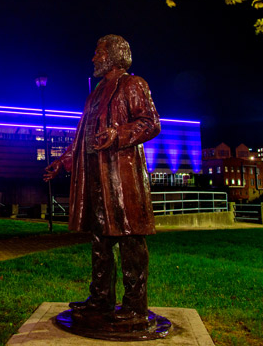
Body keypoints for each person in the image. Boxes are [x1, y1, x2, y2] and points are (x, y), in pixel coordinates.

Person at [44, 34, 161, 323]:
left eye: (99, 52)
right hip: (96, 179)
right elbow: (84, 138)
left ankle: (135, 306)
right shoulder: (94, 93)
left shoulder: (134, 84)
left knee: (131, 241)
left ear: (114, 55)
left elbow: (150, 123)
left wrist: (118, 134)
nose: (94, 58)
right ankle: (100, 300)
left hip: (122, 179)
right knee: (100, 242)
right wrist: (63, 161)